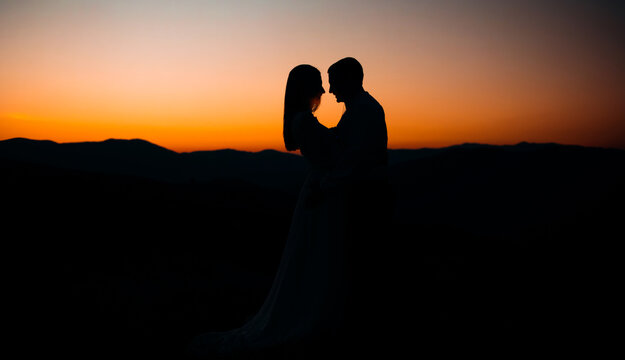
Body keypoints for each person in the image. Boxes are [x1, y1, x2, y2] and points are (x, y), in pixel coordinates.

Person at [187, 64, 347, 358]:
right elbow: (331, 153)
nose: (324, 91)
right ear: (305, 88)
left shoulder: (302, 121)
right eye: (318, 85)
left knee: (312, 253)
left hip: (320, 189)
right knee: (313, 253)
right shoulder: (304, 123)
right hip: (321, 192)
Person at [322, 57, 392, 354]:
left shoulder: (364, 110)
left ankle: (359, 332)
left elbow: (357, 160)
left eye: (333, 80)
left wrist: (325, 185)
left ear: (350, 79)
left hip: (365, 198)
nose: (329, 88)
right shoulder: (357, 109)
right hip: (360, 194)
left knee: (360, 259)